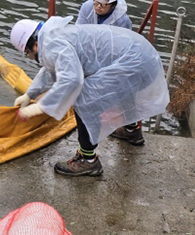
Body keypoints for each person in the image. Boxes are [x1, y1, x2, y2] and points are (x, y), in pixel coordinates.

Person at [10, 16, 169, 177]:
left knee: (84, 99)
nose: (29, 57)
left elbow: (72, 80)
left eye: (27, 53)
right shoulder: (53, 37)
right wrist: (30, 94)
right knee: (120, 87)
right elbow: (52, 70)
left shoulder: (52, 45)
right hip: (143, 57)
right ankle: (131, 130)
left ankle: (88, 160)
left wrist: (41, 106)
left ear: (34, 45)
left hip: (136, 63)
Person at [76, 0, 145, 145]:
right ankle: (131, 130)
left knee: (120, 92)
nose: (98, 8)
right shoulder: (87, 8)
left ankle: (131, 131)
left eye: (103, 5)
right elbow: (78, 33)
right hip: (91, 54)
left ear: (112, 5)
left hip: (114, 59)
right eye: (96, 3)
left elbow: (117, 51)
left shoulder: (122, 21)